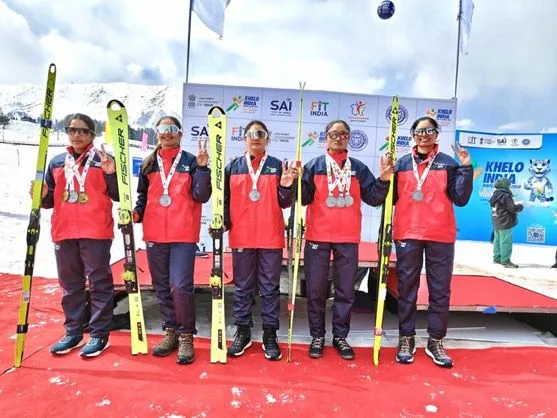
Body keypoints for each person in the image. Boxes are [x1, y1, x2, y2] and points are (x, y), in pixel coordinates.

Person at [300, 120, 393, 360]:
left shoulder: (358, 168)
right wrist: (297, 182)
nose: (338, 137)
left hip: (347, 237)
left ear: (348, 137)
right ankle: (317, 336)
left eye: (343, 134)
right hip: (317, 236)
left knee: (345, 291)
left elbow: (373, 198)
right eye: (333, 133)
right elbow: (303, 199)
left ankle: (340, 336)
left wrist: (383, 180)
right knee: (316, 290)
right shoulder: (314, 166)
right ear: (326, 137)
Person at [393, 116, 473, 368]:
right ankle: (406, 338)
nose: (424, 135)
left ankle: (435, 340)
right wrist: (385, 176)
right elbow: (389, 198)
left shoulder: (448, 163)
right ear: (413, 134)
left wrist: (466, 168)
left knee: (439, 290)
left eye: (430, 130)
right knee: (407, 289)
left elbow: (460, 199)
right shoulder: (401, 163)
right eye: (420, 130)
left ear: (437, 134)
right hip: (407, 233)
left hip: (440, 234)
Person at [36, 113, 119, 358]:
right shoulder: (56, 162)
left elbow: (118, 195)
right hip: (64, 230)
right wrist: (42, 195)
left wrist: (111, 173)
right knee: (70, 285)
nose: (77, 135)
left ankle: (99, 334)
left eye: (83, 131)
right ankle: (73, 332)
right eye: (72, 130)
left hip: (96, 230)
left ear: (93, 134)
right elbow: (49, 201)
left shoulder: (103, 160)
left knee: (99, 283)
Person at [133, 116, 210, 365]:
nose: (167, 133)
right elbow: (143, 196)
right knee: (162, 286)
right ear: (157, 133)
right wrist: (137, 213)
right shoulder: (148, 163)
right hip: (155, 234)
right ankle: (171, 331)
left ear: (180, 133)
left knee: (180, 286)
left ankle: (186, 334)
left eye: (172, 129)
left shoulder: (191, 161)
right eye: (162, 129)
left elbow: (201, 196)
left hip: (183, 234)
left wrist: (203, 169)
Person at [224, 120, 296, 361]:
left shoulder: (277, 166)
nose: (256, 137)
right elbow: (224, 200)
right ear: (244, 138)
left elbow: (285, 202)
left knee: (270, 289)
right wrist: (223, 222)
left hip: (270, 236)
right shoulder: (232, 167)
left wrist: (286, 187)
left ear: (267, 138)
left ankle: (270, 334)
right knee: (242, 288)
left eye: (261, 133)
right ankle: (243, 332)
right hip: (241, 236)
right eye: (251, 133)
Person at [490, 177, 523, 268]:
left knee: (497, 240)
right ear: (506, 185)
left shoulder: (495, 194)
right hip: (505, 221)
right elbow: (512, 209)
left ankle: (497, 258)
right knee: (506, 241)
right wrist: (520, 206)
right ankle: (505, 261)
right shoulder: (505, 195)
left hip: (496, 221)